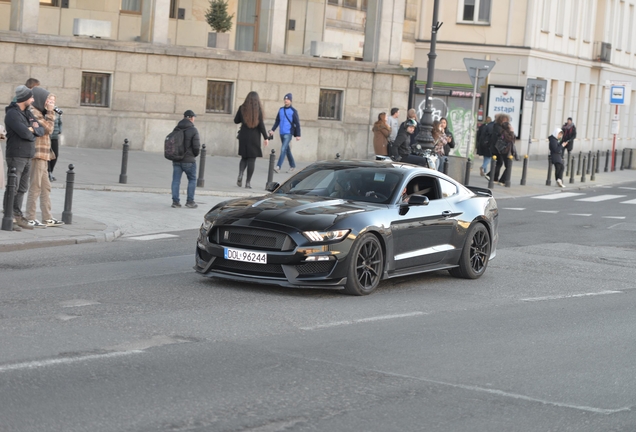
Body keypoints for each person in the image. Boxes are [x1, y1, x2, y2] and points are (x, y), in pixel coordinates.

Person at [3, 85, 44, 231]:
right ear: (24, 98)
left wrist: (32, 129)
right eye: (31, 97)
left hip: (28, 155)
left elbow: (41, 129)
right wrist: (31, 131)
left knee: (22, 188)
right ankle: (9, 217)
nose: (33, 100)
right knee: (12, 188)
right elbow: (25, 134)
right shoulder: (12, 114)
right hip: (16, 154)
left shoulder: (27, 113)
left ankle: (18, 216)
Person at [25, 87, 64, 228]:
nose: (51, 104)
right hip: (37, 154)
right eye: (49, 100)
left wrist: (49, 111)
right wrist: (49, 112)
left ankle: (47, 217)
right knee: (35, 186)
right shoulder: (34, 112)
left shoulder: (41, 111)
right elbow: (48, 129)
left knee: (46, 187)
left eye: (53, 101)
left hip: (44, 154)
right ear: (42, 100)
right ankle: (30, 217)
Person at [235, 91, 269, 189]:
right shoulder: (258, 110)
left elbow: (236, 120)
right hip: (254, 138)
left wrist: (242, 118)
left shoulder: (242, 108)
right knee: (251, 160)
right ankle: (248, 182)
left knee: (244, 158)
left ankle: (241, 173)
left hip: (243, 136)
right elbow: (261, 125)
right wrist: (266, 137)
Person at [170, 110, 201, 208]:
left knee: (176, 180)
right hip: (189, 160)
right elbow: (196, 147)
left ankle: (175, 202)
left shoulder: (176, 128)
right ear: (191, 118)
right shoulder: (193, 130)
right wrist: (194, 155)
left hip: (177, 160)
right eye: (194, 117)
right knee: (192, 180)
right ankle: (190, 201)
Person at [269, 93, 301, 173]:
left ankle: (278, 166)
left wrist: (298, 135)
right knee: (287, 150)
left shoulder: (293, 111)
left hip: (288, 133)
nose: (286, 100)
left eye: (288, 99)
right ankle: (293, 166)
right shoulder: (281, 110)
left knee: (283, 149)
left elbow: (297, 123)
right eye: (285, 99)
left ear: (290, 101)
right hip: (281, 132)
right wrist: (273, 130)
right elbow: (277, 121)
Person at [493, 122, 518, 186]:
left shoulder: (505, 132)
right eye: (510, 126)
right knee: (508, 166)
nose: (511, 127)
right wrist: (512, 132)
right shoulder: (505, 133)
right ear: (508, 127)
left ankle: (502, 180)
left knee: (507, 166)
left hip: (506, 151)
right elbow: (510, 139)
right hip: (505, 152)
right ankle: (502, 180)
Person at [486, 114, 510, 181]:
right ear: (501, 120)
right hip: (497, 149)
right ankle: (490, 175)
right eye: (505, 120)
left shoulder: (497, 126)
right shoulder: (498, 128)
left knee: (498, 163)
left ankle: (494, 178)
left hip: (496, 148)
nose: (506, 122)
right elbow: (503, 137)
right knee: (499, 163)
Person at [49, 108, 62, 182]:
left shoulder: (57, 111)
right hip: (47, 136)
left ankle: (51, 172)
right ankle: (48, 172)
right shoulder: (45, 110)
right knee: (47, 156)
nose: (52, 102)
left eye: (53, 101)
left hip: (55, 136)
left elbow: (60, 122)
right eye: (50, 100)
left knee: (55, 155)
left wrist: (60, 130)